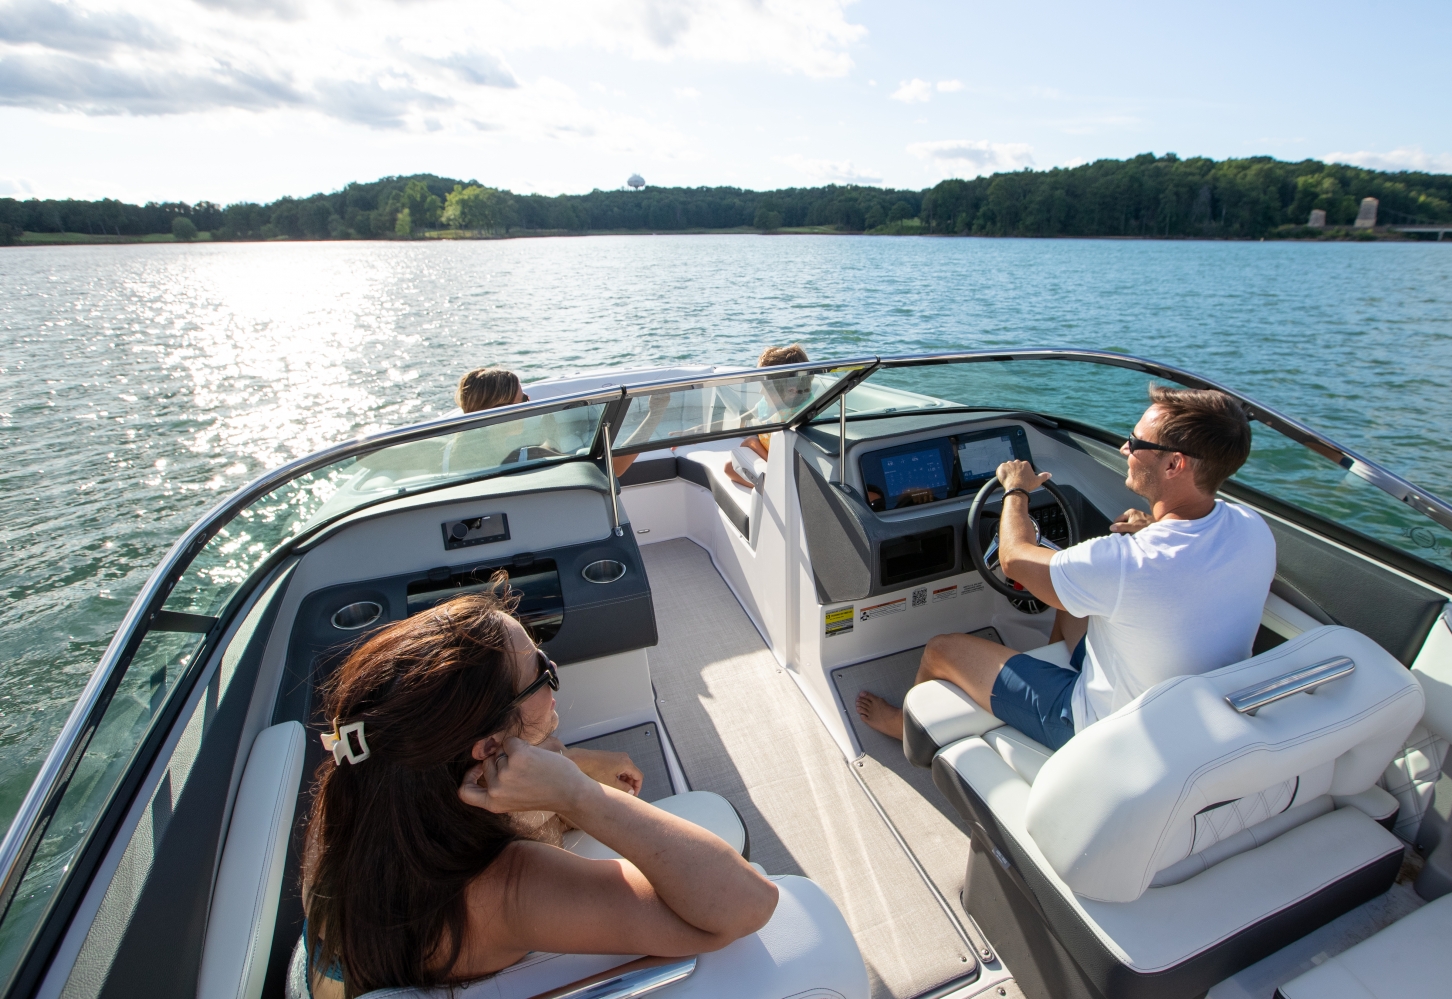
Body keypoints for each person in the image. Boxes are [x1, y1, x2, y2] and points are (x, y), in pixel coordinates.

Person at [301, 584, 777, 997]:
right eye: (542, 673)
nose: (554, 671)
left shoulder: (356, 786)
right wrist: (577, 794)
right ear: (490, 748)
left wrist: (570, 761)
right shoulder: (506, 889)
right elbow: (747, 904)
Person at [856, 385, 1276, 751]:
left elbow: (1014, 558)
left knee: (940, 649)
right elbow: (1180, 560)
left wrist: (1016, 490)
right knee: (1072, 602)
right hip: (1185, 711)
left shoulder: (1126, 561)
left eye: (1136, 441)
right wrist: (1153, 527)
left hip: (1105, 726)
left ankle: (903, 726)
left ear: (1174, 465)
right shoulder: (1253, 528)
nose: (1124, 449)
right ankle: (1050, 666)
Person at [452, 366, 665, 476]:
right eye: (524, 399)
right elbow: (611, 470)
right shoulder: (526, 457)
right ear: (502, 410)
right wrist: (655, 414)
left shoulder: (449, 459)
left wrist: (550, 440)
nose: (529, 403)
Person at [724, 344, 811, 488]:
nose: (761, 392)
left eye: (767, 387)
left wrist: (752, 443)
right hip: (774, 457)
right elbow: (744, 419)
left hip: (786, 473)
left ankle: (769, 491)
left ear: (791, 391)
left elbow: (787, 465)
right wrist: (698, 431)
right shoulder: (785, 402)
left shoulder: (795, 420)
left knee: (729, 468)